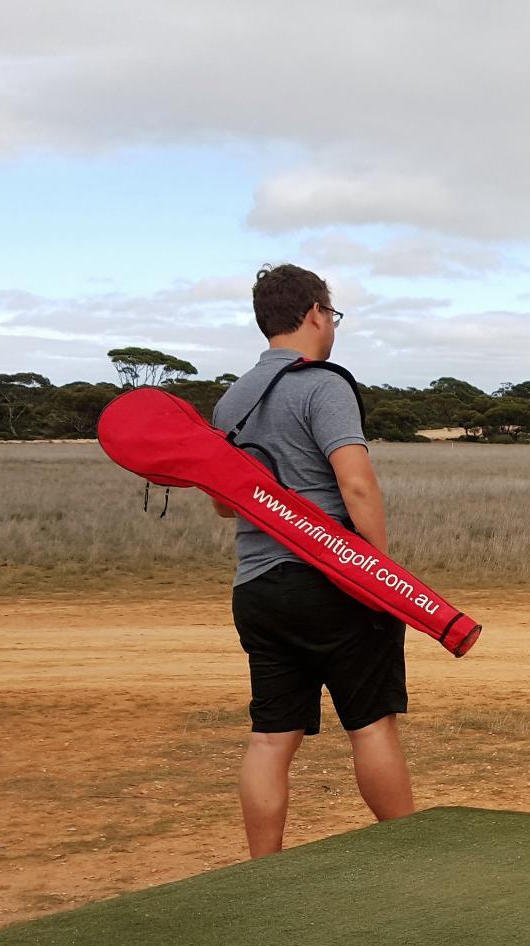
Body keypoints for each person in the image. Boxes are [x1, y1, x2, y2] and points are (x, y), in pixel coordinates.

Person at [209, 264, 415, 857]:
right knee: (371, 723)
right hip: (334, 581)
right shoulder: (323, 384)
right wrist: (379, 572)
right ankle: (405, 855)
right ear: (314, 313)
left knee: (272, 737)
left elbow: (226, 508)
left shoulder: (233, 399)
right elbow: (356, 485)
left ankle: (262, 870)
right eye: (332, 314)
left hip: (258, 588)